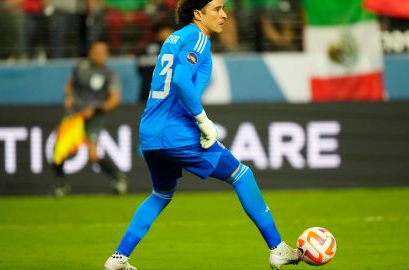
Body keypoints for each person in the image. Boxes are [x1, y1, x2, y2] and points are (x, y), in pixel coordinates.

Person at [103, 0, 301, 269]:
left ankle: (118, 258)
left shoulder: (174, 38)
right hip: (175, 131)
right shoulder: (197, 37)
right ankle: (278, 248)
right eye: (217, 9)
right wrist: (202, 120)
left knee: (161, 194)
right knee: (242, 175)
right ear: (198, 14)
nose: (224, 14)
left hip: (151, 130)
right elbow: (182, 80)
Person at [53, 41, 128, 197]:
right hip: (74, 115)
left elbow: (114, 99)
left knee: (93, 155)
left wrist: (95, 109)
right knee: (60, 149)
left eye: (102, 53)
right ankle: (61, 184)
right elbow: (70, 86)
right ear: (91, 52)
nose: (99, 55)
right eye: (96, 52)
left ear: (107, 55)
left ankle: (118, 178)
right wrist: (68, 97)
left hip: (95, 117)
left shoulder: (109, 74)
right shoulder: (81, 68)